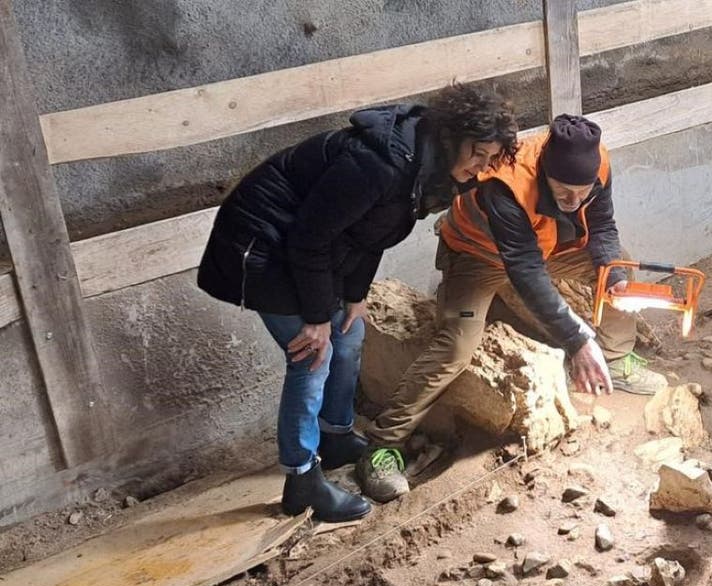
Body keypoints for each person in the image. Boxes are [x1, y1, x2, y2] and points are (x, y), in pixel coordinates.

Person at [196, 85, 519, 521]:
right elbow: (309, 238)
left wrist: (354, 296)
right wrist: (314, 317)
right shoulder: (380, 164)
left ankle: (335, 436)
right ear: (453, 136)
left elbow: (370, 233)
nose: (482, 167)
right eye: (478, 154)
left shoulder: (428, 167)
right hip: (260, 247)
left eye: (490, 159)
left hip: (307, 248)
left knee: (350, 332)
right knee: (313, 354)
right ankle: (302, 479)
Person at [359, 114, 667, 500]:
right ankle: (381, 445)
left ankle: (617, 360)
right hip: (478, 252)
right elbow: (525, 271)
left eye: (582, 193)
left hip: (547, 243)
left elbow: (601, 224)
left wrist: (611, 273)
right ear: (544, 175)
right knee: (456, 346)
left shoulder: (596, 162)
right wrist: (577, 340)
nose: (575, 203)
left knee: (620, 265)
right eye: (564, 192)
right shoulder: (506, 183)